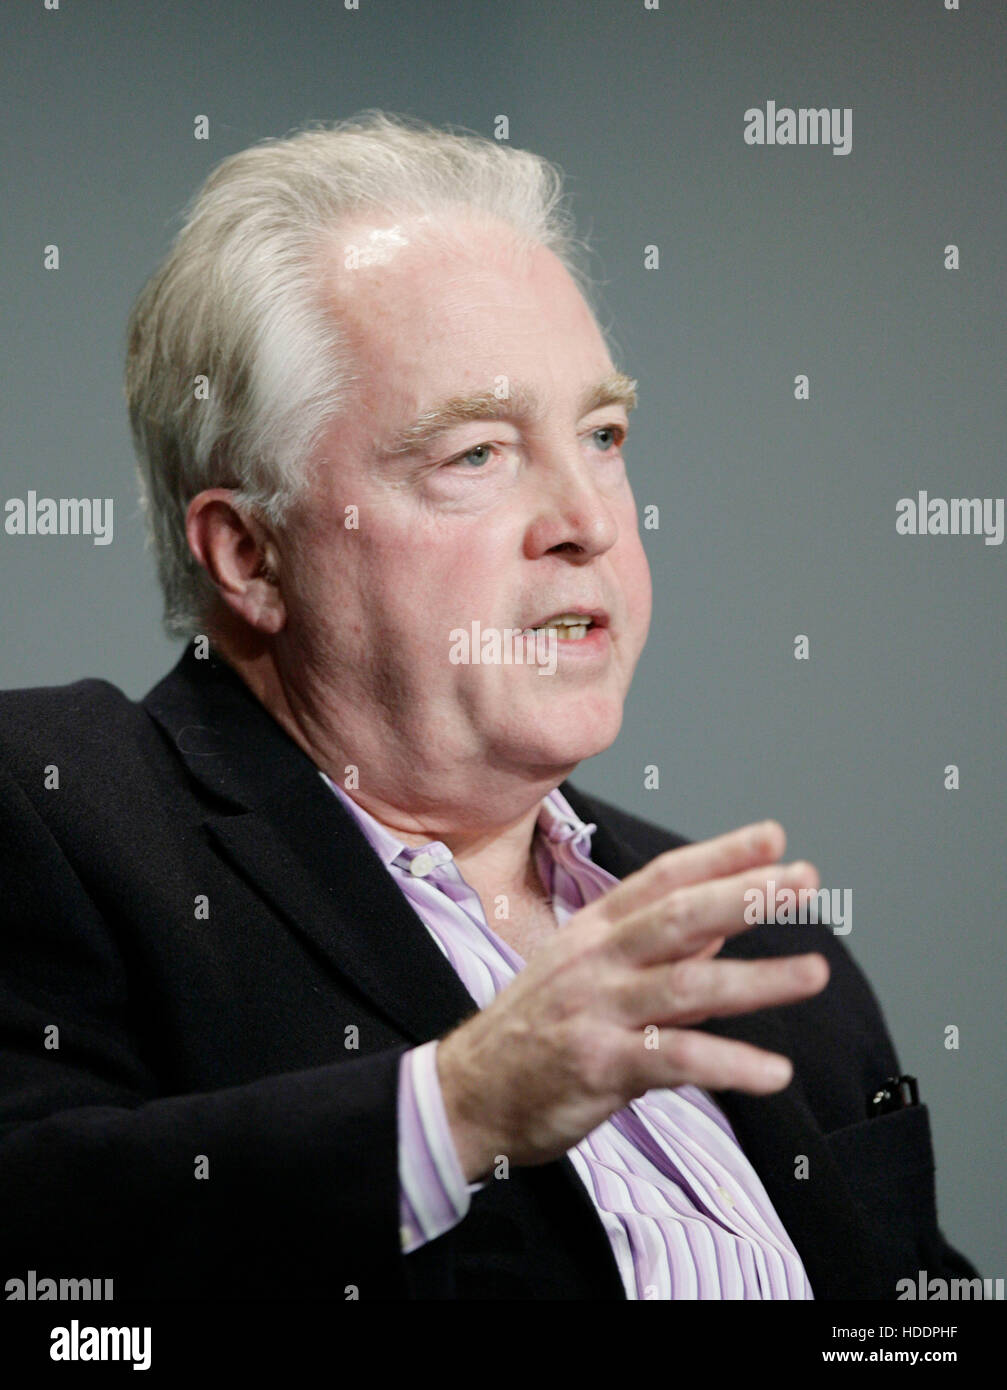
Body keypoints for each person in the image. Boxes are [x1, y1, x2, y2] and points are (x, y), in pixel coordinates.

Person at [0, 111, 974, 1301]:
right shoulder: (51, 810)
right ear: (250, 555)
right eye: (475, 453)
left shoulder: (749, 949)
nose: (589, 519)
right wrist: (459, 1110)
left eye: (602, 435)